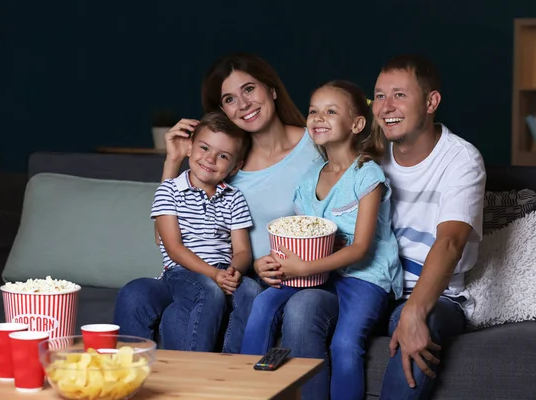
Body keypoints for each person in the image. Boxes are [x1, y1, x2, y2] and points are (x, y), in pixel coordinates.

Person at [113, 53, 338, 400]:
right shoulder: (222, 165)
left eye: (249, 89)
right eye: (229, 99)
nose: (243, 104)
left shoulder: (316, 141)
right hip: (212, 275)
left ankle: (212, 378)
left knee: (214, 300)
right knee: (169, 312)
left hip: (282, 277)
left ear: (272, 89)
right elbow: (166, 237)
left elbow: (348, 206)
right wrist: (172, 160)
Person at [241, 80, 403, 400]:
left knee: (345, 344)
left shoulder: (367, 174)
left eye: (330, 111)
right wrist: (270, 261)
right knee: (262, 302)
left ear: (357, 124)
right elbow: (300, 232)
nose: (318, 117)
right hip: (322, 273)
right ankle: (248, 389)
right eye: (313, 111)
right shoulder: (309, 177)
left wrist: (304, 268)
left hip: (366, 278)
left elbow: (360, 248)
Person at [372, 54, 486, 400]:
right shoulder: (370, 155)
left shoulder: (461, 160)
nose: (385, 106)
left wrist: (414, 310)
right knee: (308, 308)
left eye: (399, 95)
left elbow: (451, 241)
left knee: (409, 324)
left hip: (439, 297)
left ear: (431, 101)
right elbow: (308, 137)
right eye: (378, 95)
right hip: (376, 287)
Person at [148, 111, 260, 352]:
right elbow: (173, 248)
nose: (210, 159)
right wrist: (213, 275)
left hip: (221, 270)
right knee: (209, 290)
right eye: (205, 148)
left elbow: (242, 251)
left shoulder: (234, 197)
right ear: (189, 147)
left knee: (251, 289)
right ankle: (201, 362)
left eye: (223, 156)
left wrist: (234, 270)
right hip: (182, 271)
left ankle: (233, 361)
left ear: (234, 167)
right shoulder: (169, 189)